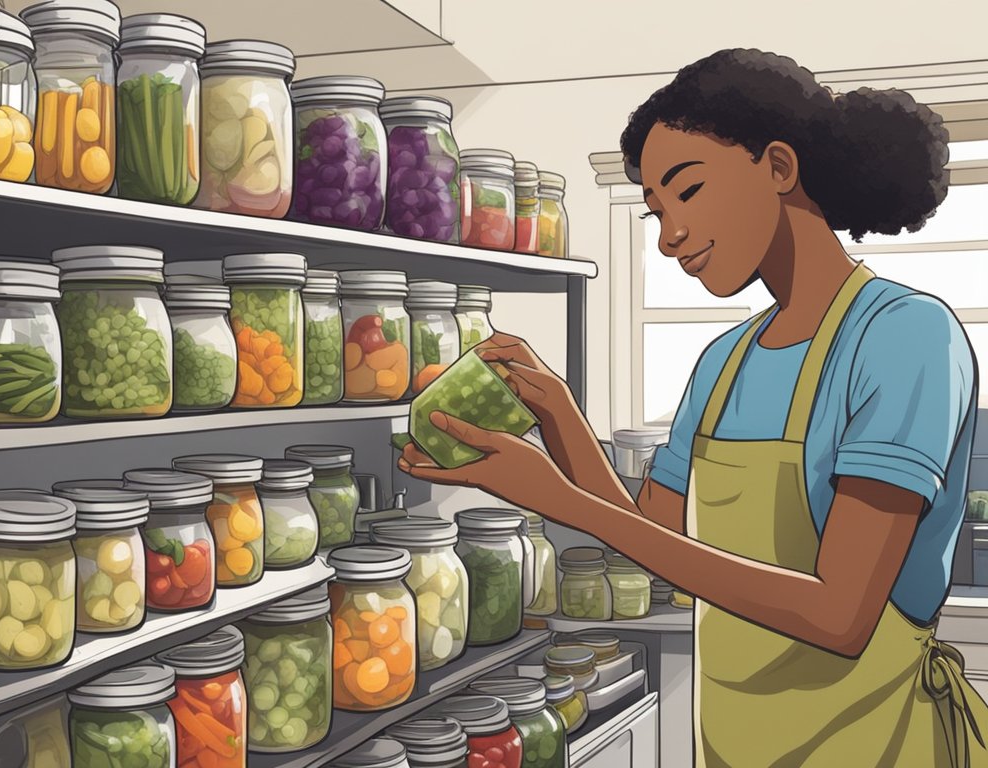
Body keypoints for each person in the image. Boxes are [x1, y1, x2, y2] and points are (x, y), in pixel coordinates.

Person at [399, 49, 986, 766]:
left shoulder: (903, 336)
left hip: (877, 744)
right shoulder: (724, 361)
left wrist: (558, 498)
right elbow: (651, 534)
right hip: (735, 745)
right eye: (655, 211)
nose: (671, 235)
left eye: (690, 191)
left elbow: (841, 615)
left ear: (778, 167)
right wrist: (560, 417)